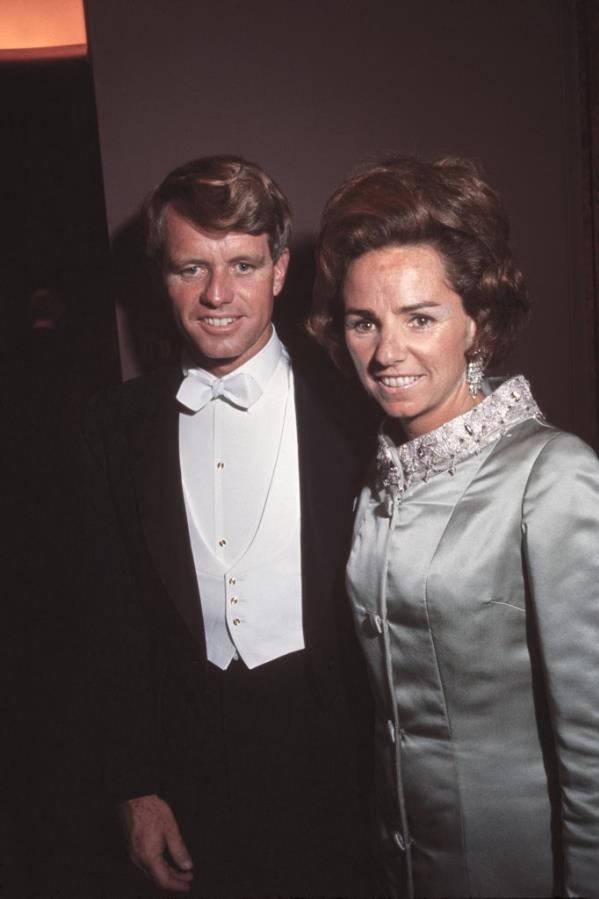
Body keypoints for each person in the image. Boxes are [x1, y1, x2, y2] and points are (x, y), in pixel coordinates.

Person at [81, 155, 375, 897]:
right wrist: (134, 786)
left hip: (347, 764)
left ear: (280, 269)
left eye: (242, 264)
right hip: (191, 776)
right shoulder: (115, 426)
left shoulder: (358, 401)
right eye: (191, 268)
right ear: (160, 277)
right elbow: (110, 618)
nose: (218, 294)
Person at [309, 155, 599, 899]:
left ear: (478, 320)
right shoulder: (381, 474)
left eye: (420, 317)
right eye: (363, 322)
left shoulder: (554, 475)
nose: (386, 352)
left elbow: (593, 747)